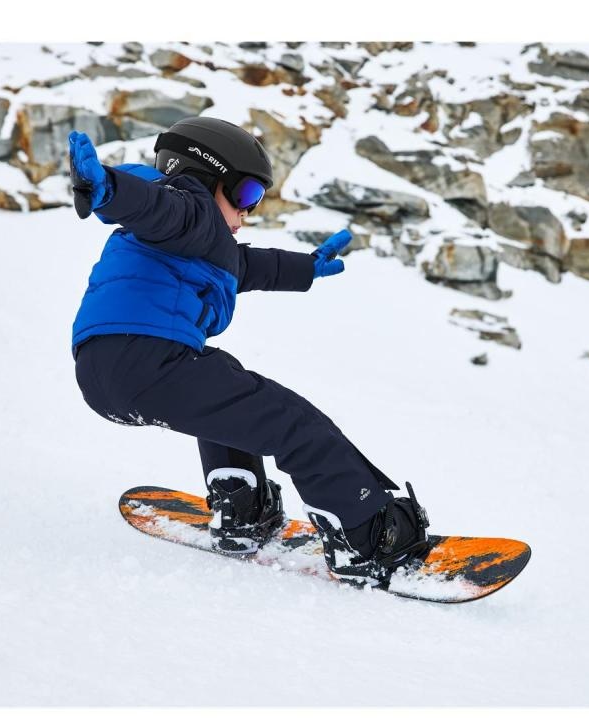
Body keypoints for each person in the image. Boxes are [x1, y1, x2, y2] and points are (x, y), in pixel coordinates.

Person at [68, 116, 430, 586]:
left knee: (232, 396)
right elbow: (157, 206)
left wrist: (306, 268)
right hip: (148, 360)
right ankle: (369, 538)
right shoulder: (186, 209)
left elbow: (243, 265)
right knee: (298, 427)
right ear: (204, 176)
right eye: (245, 196)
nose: (247, 213)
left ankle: (240, 506)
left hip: (103, 372)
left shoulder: (190, 240)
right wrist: (109, 190)